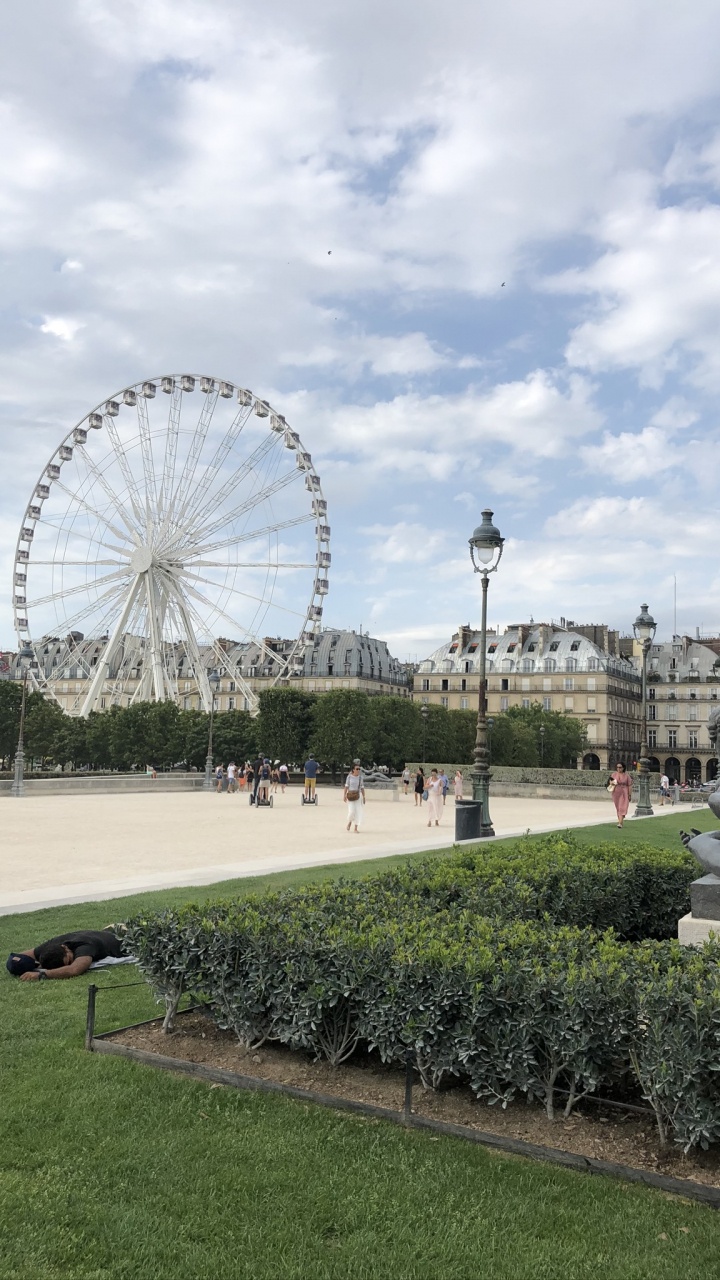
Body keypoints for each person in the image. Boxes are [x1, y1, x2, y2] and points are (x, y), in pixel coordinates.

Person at [7, 928, 125, 982]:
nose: (72, 962)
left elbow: (74, 969)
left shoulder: (84, 947)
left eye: (69, 960)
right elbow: (15, 957)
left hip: (124, 939)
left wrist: (41, 975)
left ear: (65, 948)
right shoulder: (50, 947)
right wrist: (25, 965)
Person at [608, 761, 632, 827]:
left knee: (623, 807)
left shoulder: (626, 776)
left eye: (620, 767)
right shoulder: (614, 774)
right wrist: (612, 783)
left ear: (623, 768)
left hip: (624, 792)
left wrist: (629, 794)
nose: (618, 769)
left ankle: (620, 823)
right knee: (618, 807)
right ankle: (620, 821)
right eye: (617, 767)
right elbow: (610, 782)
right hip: (616, 792)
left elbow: (630, 785)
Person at [343, 762, 365, 832]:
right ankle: (350, 822)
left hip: (358, 795)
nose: (358, 770)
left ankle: (356, 828)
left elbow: (362, 787)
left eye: (359, 769)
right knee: (351, 812)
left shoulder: (360, 777)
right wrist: (344, 795)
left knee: (358, 811)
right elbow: (346, 786)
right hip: (350, 795)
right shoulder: (349, 777)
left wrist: (364, 796)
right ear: (353, 770)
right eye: (357, 769)